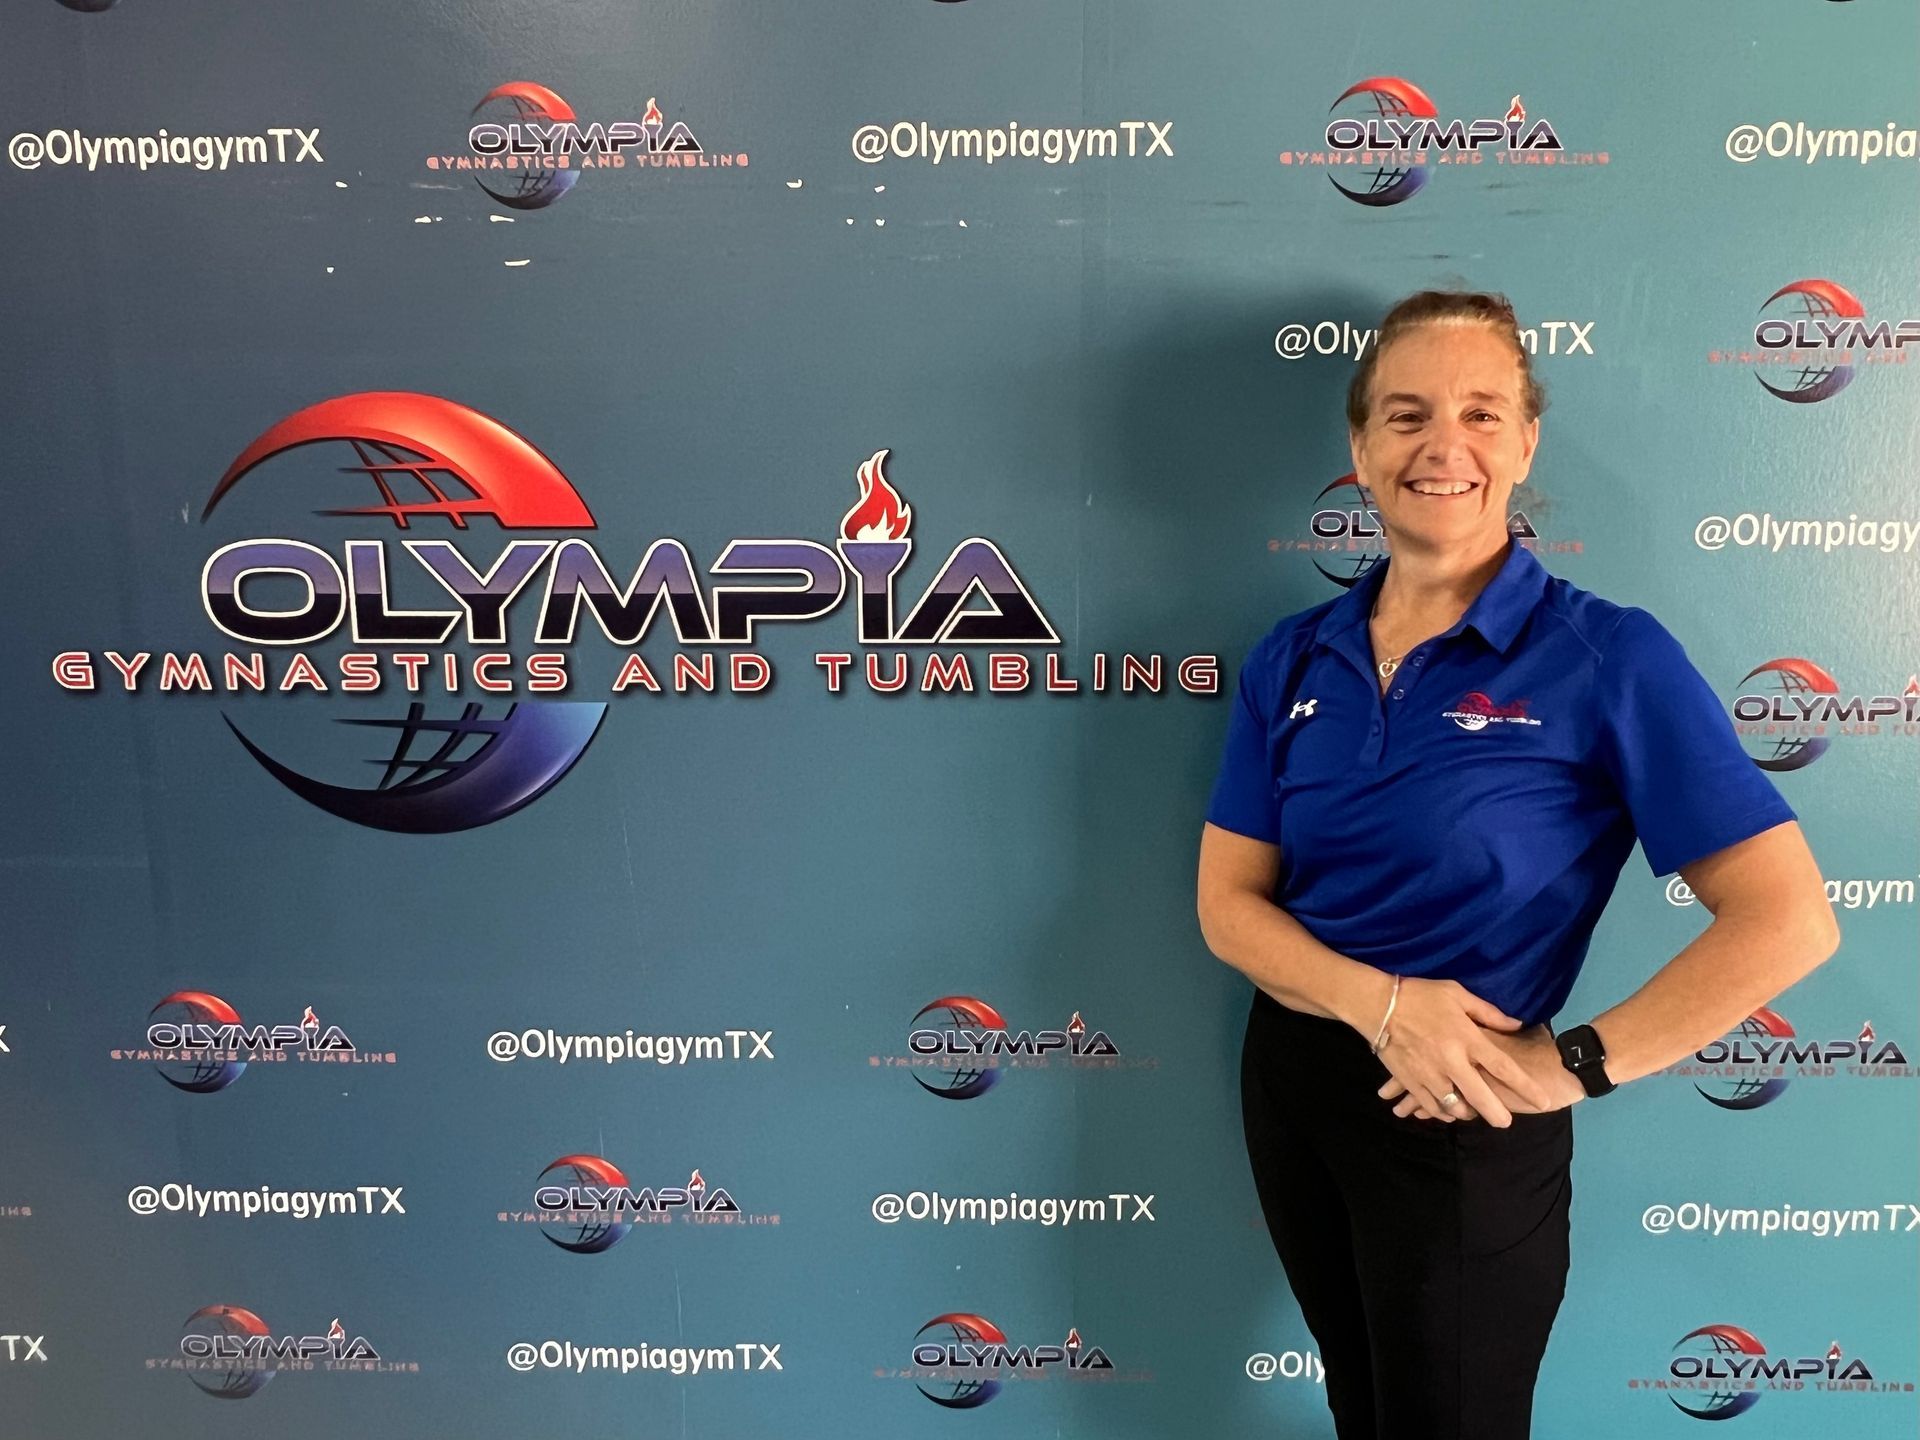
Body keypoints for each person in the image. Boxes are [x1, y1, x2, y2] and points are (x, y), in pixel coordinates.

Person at [1194, 290, 1839, 1440]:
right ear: (1359, 445)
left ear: (1526, 442)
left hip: (1463, 1113)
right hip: (1297, 1075)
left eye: (1482, 414)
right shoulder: (1295, 653)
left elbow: (1787, 919)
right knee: (1366, 1409)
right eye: (1406, 416)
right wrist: (1383, 1006)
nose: (1444, 446)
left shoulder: (1606, 656)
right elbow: (1229, 908)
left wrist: (1569, 1066)